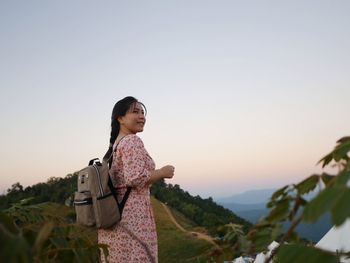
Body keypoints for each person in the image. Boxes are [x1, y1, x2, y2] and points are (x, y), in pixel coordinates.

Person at [98, 96, 175, 263]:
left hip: (114, 217)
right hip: (134, 218)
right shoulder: (132, 141)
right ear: (120, 118)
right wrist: (162, 172)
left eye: (143, 112)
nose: (142, 116)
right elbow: (135, 178)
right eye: (135, 112)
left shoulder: (114, 146)